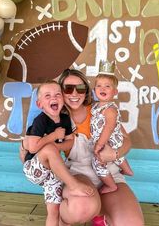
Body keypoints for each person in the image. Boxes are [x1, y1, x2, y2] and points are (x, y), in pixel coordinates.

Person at [58, 69, 144, 226]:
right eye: (68, 88)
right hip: (79, 175)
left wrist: (114, 154)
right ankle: (63, 219)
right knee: (81, 208)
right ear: (61, 91)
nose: (74, 93)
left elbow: (126, 140)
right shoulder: (56, 117)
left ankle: (101, 215)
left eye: (81, 88)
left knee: (132, 223)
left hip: (110, 172)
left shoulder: (101, 109)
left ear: (87, 91)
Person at [21, 80, 95, 226]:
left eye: (57, 95)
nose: (53, 98)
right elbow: (33, 148)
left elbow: (70, 142)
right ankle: (73, 185)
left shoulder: (65, 119)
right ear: (39, 104)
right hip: (33, 168)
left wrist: (55, 146)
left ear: (62, 99)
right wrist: (53, 137)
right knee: (48, 149)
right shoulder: (40, 121)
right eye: (47, 96)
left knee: (54, 211)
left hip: (52, 174)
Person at [91, 61, 134, 194]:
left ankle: (111, 185)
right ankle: (127, 170)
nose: (102, 89)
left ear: (115, 92)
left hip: (110, 139)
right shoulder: (96, 106)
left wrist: (100, 144)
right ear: (94, 90)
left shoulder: (110, 109)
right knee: (117, 155)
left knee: (97, 162)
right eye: (99, 86)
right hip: (111, 141)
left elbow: (109, 128)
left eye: (107, 86)